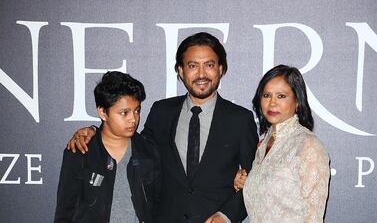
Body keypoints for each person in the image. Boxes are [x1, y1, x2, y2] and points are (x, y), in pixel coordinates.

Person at [67, 32, 259, 223]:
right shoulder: (161, 111)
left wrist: (226, 216)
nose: (201, 74)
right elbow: (134, 147)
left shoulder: (240, 120)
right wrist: (94, 130)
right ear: (181, 71)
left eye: (209, 65)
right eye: (193, 66)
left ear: (221, 69)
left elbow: (255, 181)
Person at [54, 71, 160, 223]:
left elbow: (160, 207)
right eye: (124, 113)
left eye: (137, 111)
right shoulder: (80, 151)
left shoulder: (149, 151)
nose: (133, 119)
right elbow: (65, 212)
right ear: (103, 112)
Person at [234, 65, 330, 223]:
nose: (272, 103)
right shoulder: (264, 142)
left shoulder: (308, 145)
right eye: (266, 95)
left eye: (281, 96)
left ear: (297, 101)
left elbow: (313, 216)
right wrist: (246, 182)